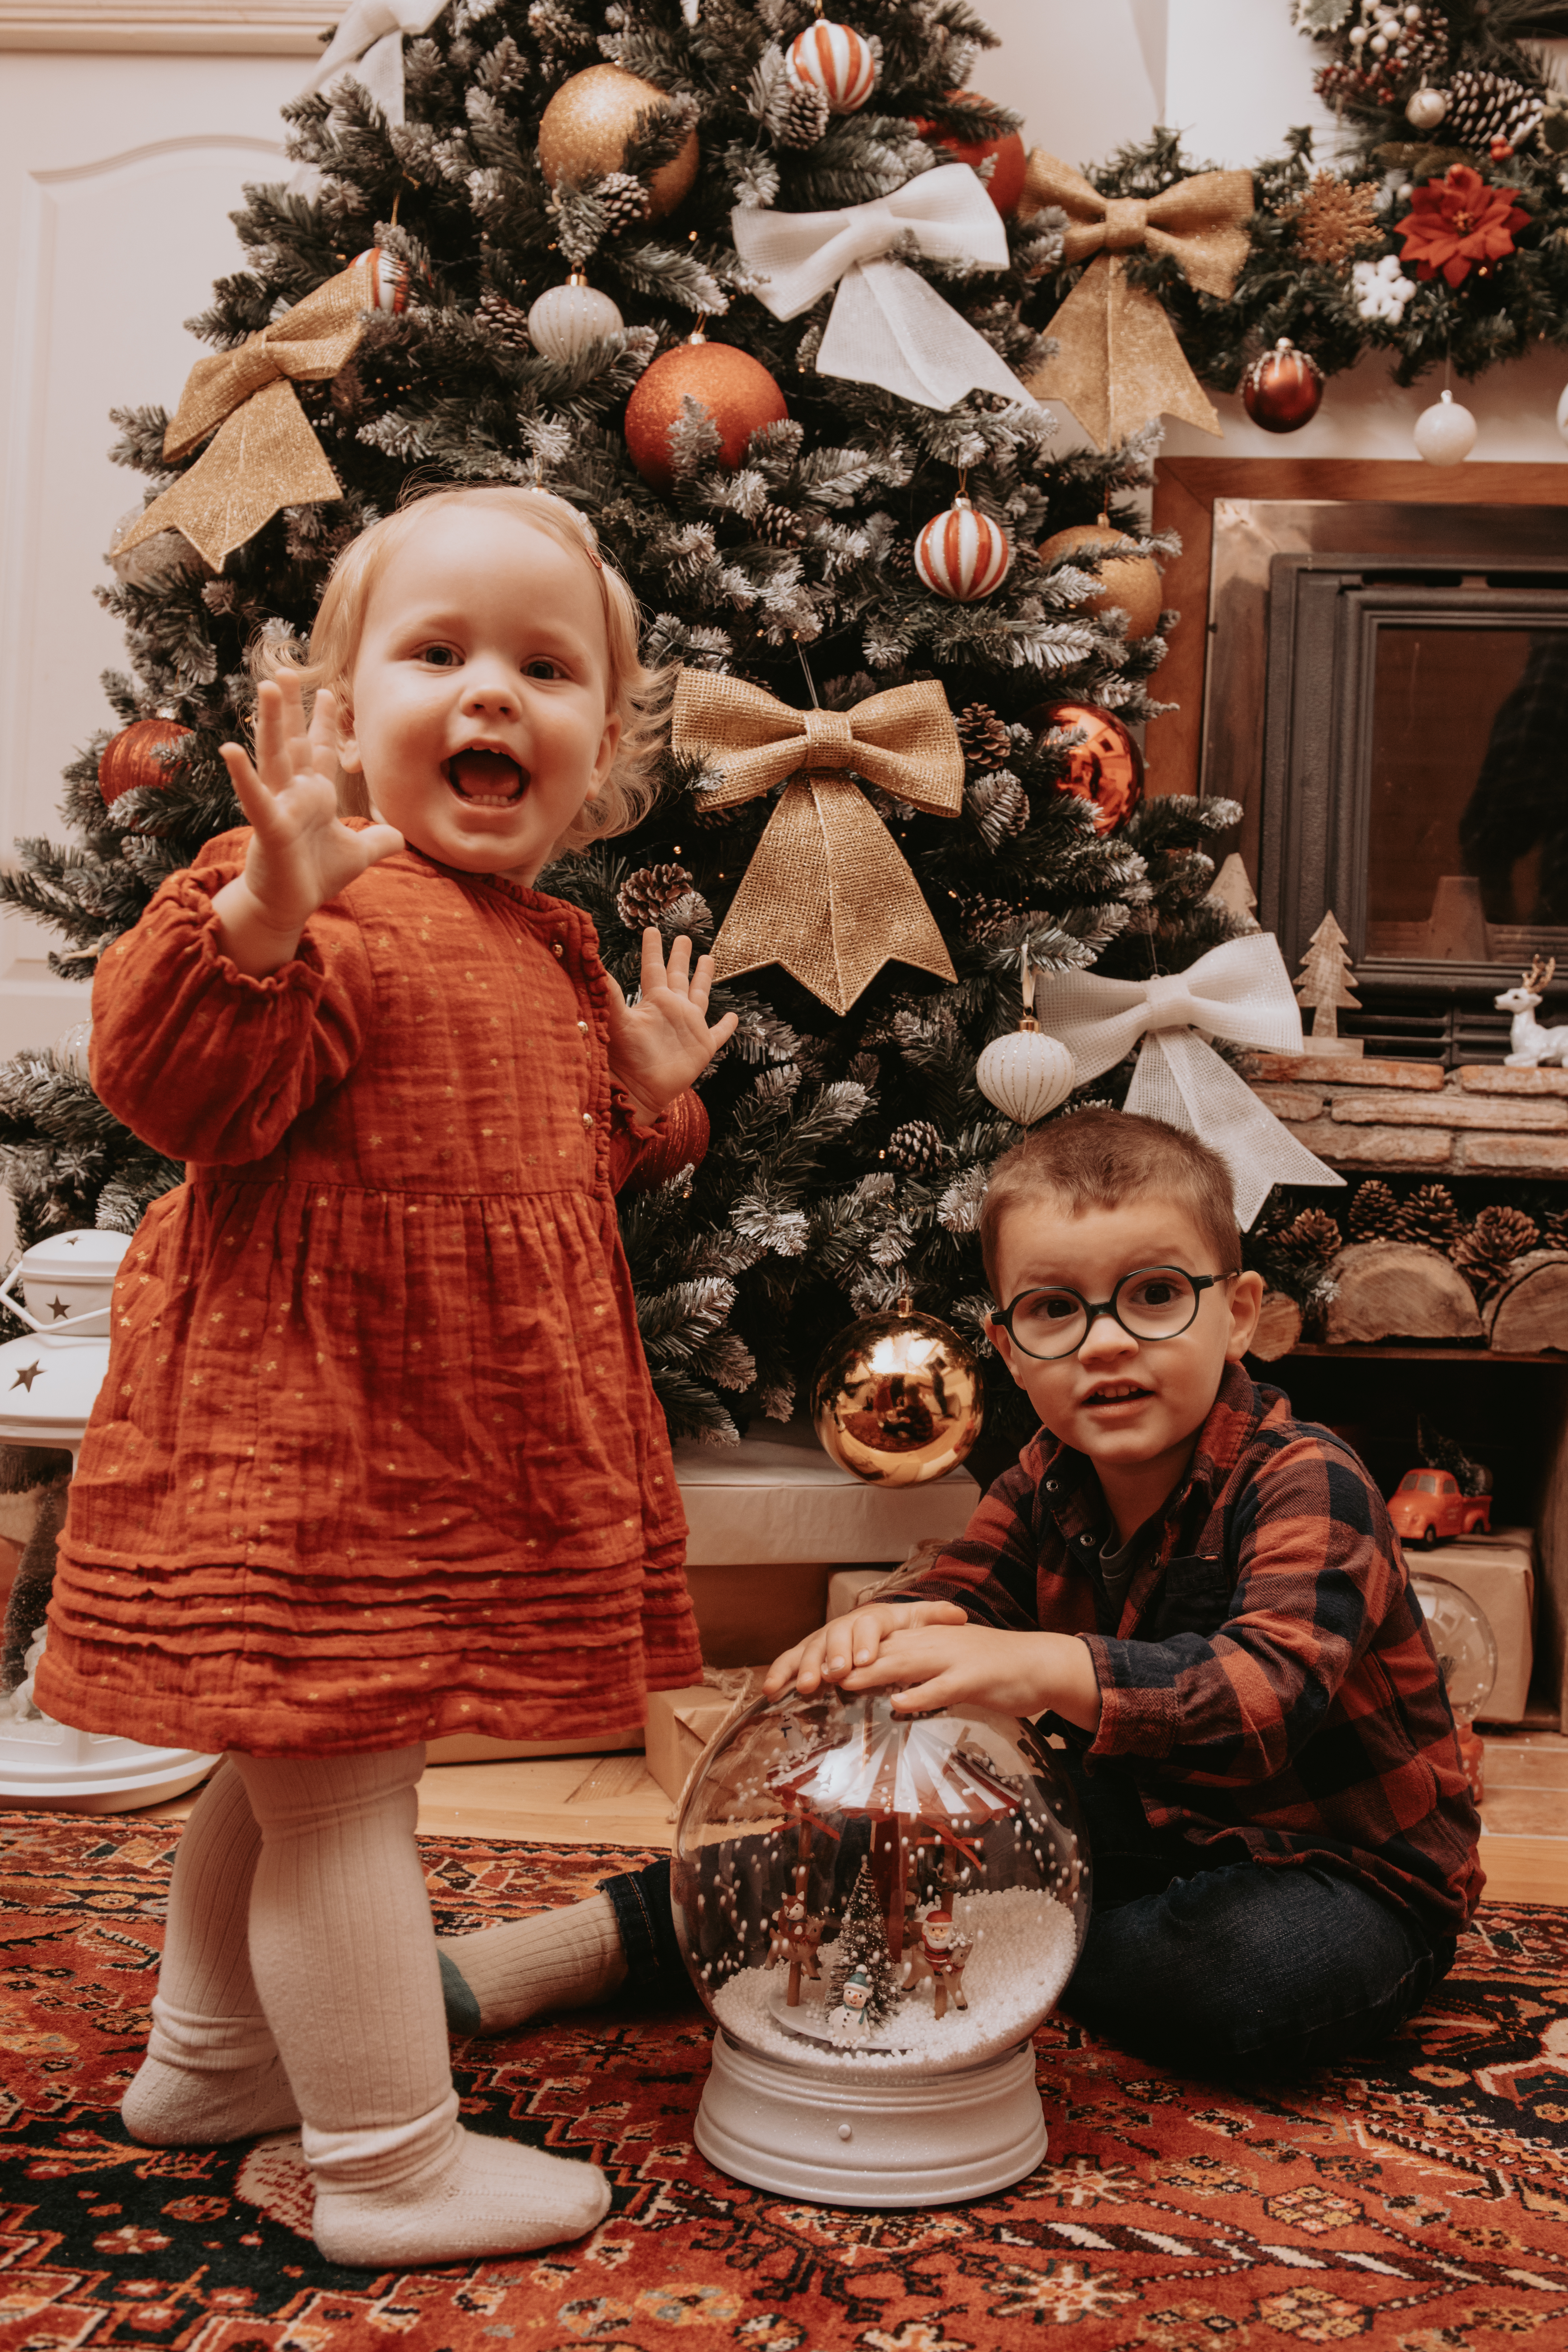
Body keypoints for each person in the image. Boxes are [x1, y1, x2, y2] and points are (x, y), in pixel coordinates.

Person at [35, 485, 734, 2266]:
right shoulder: (309, 897)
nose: (490, 694)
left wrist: (651, 1096)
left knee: (297, 1764)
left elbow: (548, 1173)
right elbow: (176, 1083)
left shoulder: (540, 938)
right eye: (436, 654)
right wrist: (263, 908)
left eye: (543, 666)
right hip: (306, 1437)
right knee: (341, 1786)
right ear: (336, 720)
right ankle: (386, 2162)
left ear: (603, 750)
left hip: (426, 1443)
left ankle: (208, 2062)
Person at [438, 1109, 1481, 2078]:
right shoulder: (1042, 1472)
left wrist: (1038, 1664)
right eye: (1054, 1311)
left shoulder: (1306, 1473)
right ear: (1012, 1354)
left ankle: (1006, 1925)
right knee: (867, 1837)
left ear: (1240, 1314)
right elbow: (960, 1588)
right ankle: (573, 1949)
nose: (1107, 1341)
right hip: (1138, 1824)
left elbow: (1267, 1694)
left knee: (1241, 1983)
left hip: (1343, 1868)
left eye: (1156, 1295)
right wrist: (894, 1623)